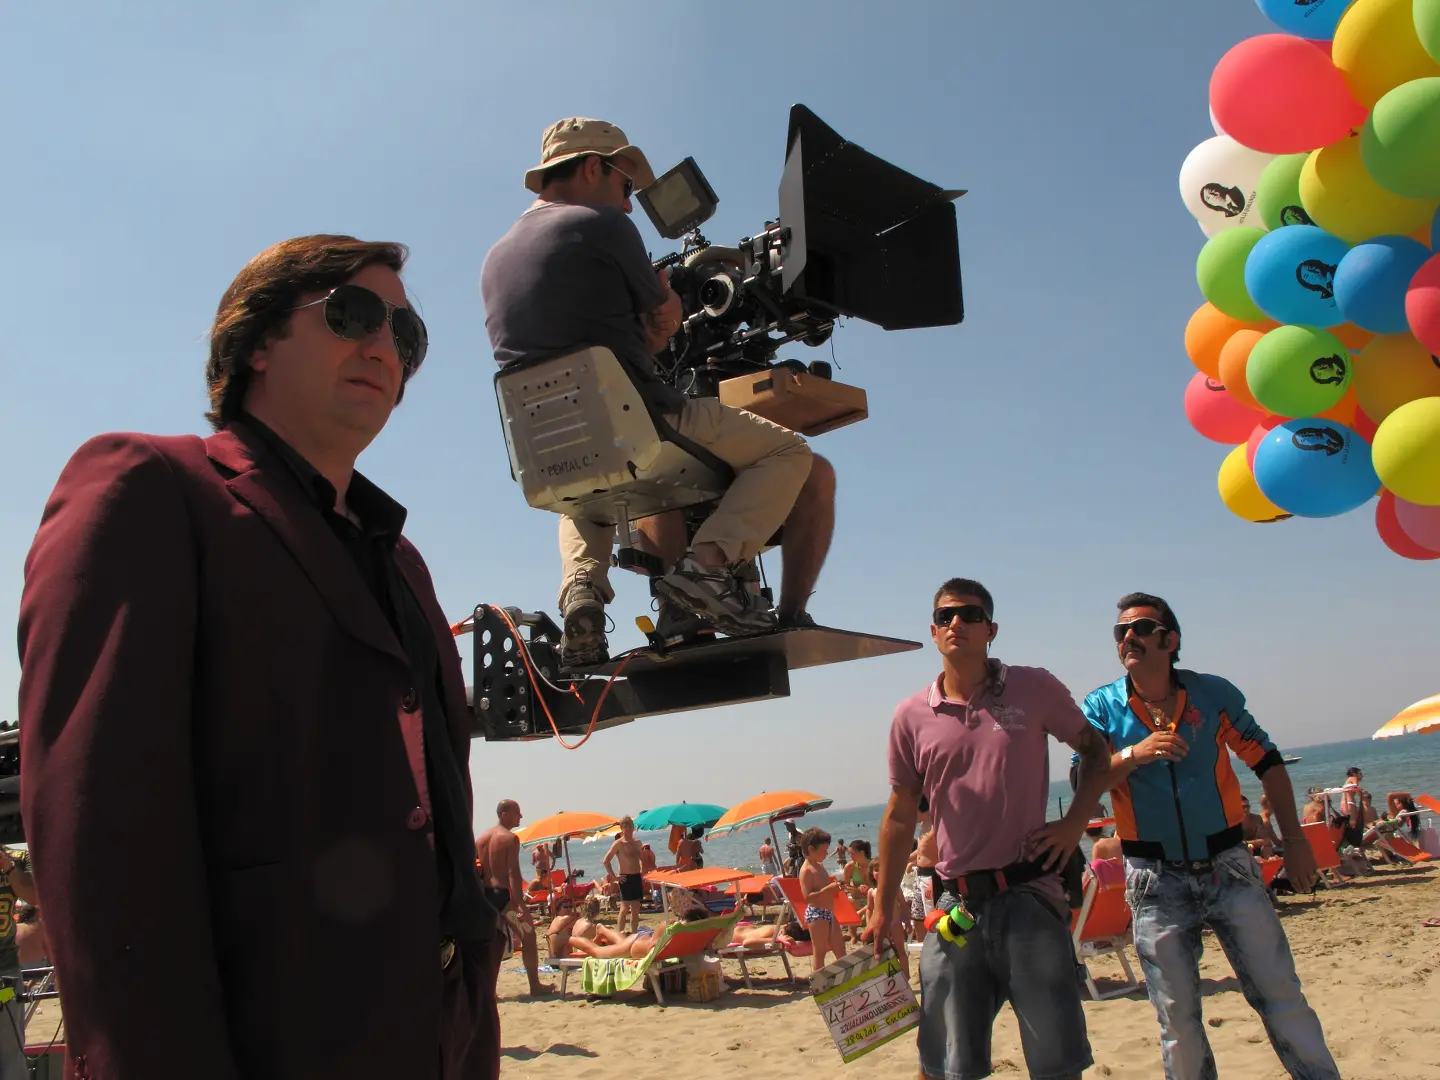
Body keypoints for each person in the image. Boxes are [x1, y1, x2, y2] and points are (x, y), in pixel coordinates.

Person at [17, 236, 500, 1080]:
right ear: (257, 343)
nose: (383, 347)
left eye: (407, 335)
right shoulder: (152, 486)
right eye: (353, 314)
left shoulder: (401, 559)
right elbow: (99, 837)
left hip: (441, 1033)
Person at [480, 116, 837, 664]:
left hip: (541, 449)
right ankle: (708, 569)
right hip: (643, 417)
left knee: (587, 485)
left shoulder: (495, 257)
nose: (629, 205)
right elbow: (665, 316)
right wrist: (665, 315)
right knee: (790, 454)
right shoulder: (603, 226)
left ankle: (582, 595)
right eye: (625, 186)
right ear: (593, 168)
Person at [1081, 591, 1337, 1080]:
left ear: (1170, 640)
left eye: (1142, 628)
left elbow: (1267, 760)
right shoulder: (1102, 706)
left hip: (1228, 865)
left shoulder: (1212, 694)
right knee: (1177, 1020)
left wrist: (1296, 841)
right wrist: (1135, 754)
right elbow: (1084, 780)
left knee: (1281, 995)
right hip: (1153, 878)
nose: (1128, 637)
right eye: (1121, 631)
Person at [870, 577, 1112, 1080]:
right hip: (954, 907)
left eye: (970, 614)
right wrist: (883, 907)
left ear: (991, 629)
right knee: (943, 1065)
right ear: (933, 632)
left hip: (1030, 896)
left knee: (1056, 1065)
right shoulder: (910, 716)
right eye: (945, 616)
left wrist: (1074, 825)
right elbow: (899, 815)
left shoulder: (1034, 688)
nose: (956, 623)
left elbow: (1095, 751)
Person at [476, 801, 554, 997]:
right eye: (517, 812)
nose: (521, 816)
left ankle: (489, 991)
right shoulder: (510, 839)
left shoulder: (481, 839)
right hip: (503, 898)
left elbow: (477, 871)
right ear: (504, 814)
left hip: (485, 897)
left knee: (494, 943)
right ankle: (535, 986)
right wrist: (520, 904)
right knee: (528, 935)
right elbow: (513, 872)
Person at [0, 848, 36, 1079]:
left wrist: (9, 868)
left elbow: (36, 897)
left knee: (9, 1050)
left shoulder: (19, 858)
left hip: (5, 976)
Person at [797, 828, 845, 973]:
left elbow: (826, 889)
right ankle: (820, 982)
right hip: (816, 914)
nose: (826, 853)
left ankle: (847, 980)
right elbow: (806, 898)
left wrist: (836, 888)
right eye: (823, 850)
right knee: (820, 952)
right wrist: (827, 890)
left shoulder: (820, 866)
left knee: (841, 951)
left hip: (829, 912)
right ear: (811, 849)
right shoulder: (806, 870)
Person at [602, 817, 645, 935]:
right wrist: (614, 877)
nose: (628, 829)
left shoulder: (638, 842)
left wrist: (643, 871)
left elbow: (641, 859)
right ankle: (619, 934)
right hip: (625, 878)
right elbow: (606, 861)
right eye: (625, 826)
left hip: (636, 877)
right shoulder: (618, 844)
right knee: (624, 908)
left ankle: (634, 934)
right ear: (621, 828)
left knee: (635, 910)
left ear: (633, 827)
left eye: (630, 826)